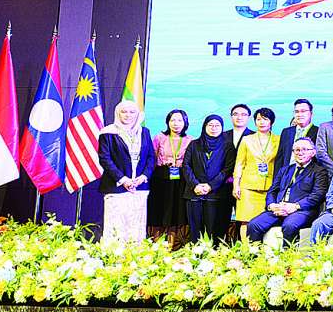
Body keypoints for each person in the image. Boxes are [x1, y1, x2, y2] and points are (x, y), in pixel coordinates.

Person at [247, 137, 330, 245]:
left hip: (302, 210)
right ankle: (255, 254)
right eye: (297, 150)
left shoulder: (319, 171)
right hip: (279, 209)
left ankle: (287, 255)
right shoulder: (285, 170)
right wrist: (272, 205)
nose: (300, 153)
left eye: (304, 149)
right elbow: (272, 191)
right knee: (253, 225)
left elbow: (318, 195)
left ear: (313, 153)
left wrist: (295, 206)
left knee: (289, 226)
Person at [98, 100, 156, 243]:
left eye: (132, 112)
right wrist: (123, 179)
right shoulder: (108, 132)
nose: (128, 115)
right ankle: (113, 254)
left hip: (140, 186)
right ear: (117, 113)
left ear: (137, 114)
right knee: (116, 226)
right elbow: (105, 159)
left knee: (136, 227)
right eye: (124, 112)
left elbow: (151, 157)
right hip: (116, 187)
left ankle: (134, 254)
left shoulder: (145, 132)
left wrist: (144, 176)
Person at [183, 114, 235, 243]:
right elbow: (186, 166)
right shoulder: (194, 144)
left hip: (217, 194)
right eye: (210, 125)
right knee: (195, 230)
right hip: (194, 193)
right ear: (204, 126)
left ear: (222, 128)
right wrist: (195, 185)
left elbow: (227, 169)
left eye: (217, 125)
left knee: (215, 230)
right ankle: (196, 252)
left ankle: (214, 253)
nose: (214, 128)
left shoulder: (228, 146)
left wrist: (210, 186)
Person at [148, 109, 192, 245]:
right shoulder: (159, 138)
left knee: (176, 213)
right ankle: (156, 244)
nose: (176, 123)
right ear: (168, 122)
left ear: (185, 123)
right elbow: (151, 158)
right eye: (172, 120)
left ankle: (173, 245)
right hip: (160, 178)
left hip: (181, 179)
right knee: (159, 211)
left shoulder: (190, 140)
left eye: (179, 120)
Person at [233, 108, 279, 227]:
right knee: (246, 221)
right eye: (258, 119)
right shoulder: (246, 140)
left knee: (265, 223)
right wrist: (236, 185)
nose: (261, 122)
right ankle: (246, 241)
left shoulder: (279, 140)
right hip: (248, 187)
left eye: (265, 119)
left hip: (270, 188)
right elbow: (239, 164)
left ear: (271, 122)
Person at [276, 99, 315, 168]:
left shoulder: (318, 131)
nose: (299, 115)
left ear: (311, 114)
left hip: (309, 173)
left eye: (303, 111)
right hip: (287, 173)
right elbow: (280, 158)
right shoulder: (286, 132)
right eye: (296, 112)